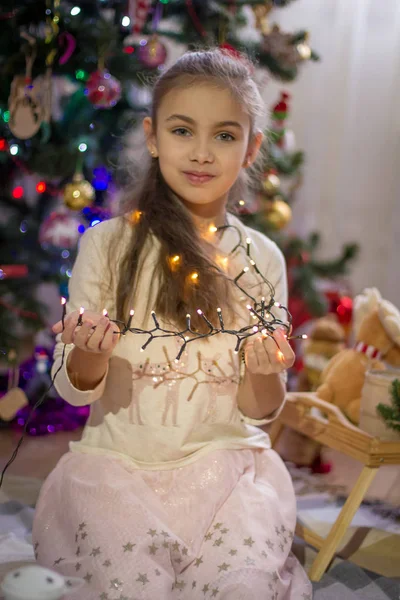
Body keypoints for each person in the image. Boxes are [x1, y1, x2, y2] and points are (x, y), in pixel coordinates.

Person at [32, 49, 312, 599]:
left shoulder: (261, 259)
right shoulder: (108, 245)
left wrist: (264, 369)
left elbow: (262, 408)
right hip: (119, 471)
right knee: (130, 587)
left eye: (226, 136)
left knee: (243, 587)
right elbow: (73, 387)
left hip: (227, 475)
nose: (202, 153)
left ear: (252, 147)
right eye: (183, 131)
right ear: (153, 136)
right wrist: (89, 354)